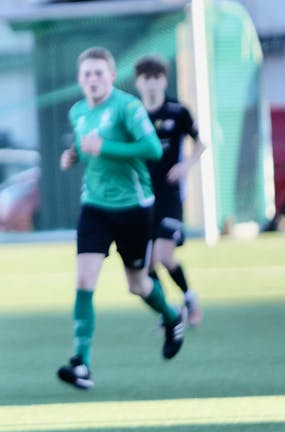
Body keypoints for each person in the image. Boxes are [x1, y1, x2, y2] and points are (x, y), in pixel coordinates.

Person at [57, 47, 186, 390]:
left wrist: (106, 148)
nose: (93, 79)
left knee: (137, 284)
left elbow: (153, 150)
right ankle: (81, 363)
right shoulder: (78, 111)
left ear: (112, 76)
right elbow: (88, 150)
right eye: (87, 74)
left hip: (134, 208)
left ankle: (172, 317)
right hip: (95, 207)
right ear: (79, 80)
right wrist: (73, 156)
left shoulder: (128, 107)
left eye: (100, 73)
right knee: (84, 282)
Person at [134, 54, 207, 327]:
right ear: (138, 83)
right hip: (141, 197)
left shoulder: (177, 111)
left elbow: (201, 144)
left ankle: (190, 298)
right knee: (147, 265)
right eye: (146, 79)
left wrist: (186, 165)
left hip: (170, 195)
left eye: (156, 78)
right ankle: (169, 313)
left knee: (164, 255)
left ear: (164, 80)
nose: (151, 84)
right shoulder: (133, 114)